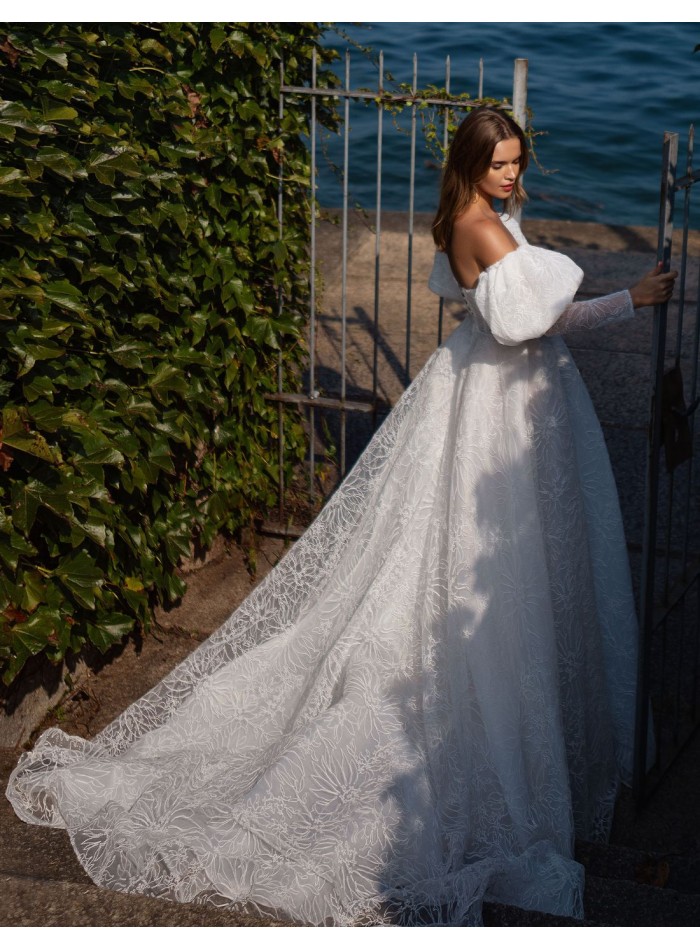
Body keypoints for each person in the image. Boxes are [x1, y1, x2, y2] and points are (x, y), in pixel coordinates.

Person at [6, 107, 676, 927]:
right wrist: (631, 299)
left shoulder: (470, 219)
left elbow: (516, 312)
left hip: (477, 388)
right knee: (503, 567)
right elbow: (539, 321)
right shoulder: (489, 232)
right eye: (500, 162)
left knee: (476, 559)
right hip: (506, 408)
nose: (511, 174)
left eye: (517, 161)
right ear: (474, 164)